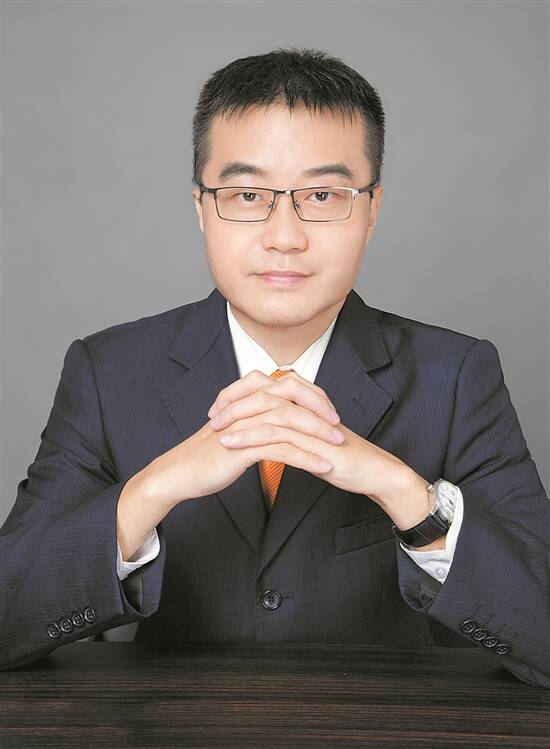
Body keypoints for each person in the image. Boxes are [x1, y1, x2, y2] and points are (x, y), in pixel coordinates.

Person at [1, 48, 548, 687]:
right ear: (201, 207)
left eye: (323, 195)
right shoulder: (107, 371)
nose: (284, 236)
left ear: (371, 209)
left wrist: (406, 493)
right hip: (165, 739)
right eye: (247, 194)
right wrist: (153, 490)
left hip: (389, 739)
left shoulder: (455, 376)